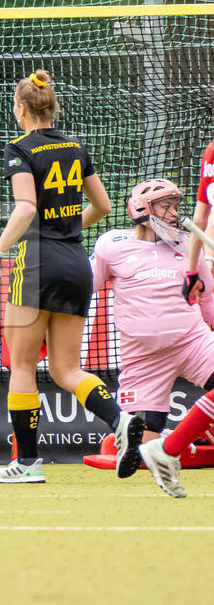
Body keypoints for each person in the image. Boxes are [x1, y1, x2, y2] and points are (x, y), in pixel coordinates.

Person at [0, 69, 138, 484]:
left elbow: (26, 208)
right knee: (67, 369)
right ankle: (120, 419)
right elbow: (103, 205)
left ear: (21, 108)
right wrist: (67, 229)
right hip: (75, 262)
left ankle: (28, 463)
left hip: (37, 263)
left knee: (23, 364)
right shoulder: (76, 147)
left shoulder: (20, 148)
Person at [90, 180, 214, 476]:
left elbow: (207, 298)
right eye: (166, 206)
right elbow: (83, 288)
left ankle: (195, 437)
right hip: (142, 358)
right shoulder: (111, 245)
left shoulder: (189, 244)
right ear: (141, 209)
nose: (174, 214)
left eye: (176, 206)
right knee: (141, 449)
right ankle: (178, 441)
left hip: (193, 343)